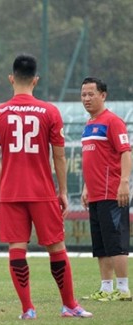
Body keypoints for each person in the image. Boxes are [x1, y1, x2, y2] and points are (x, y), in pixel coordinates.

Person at [0, 54, 92, 319]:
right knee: (56, 247)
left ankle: (28, 309)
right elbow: (59, 155)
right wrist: (63, 192)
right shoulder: (50, 111)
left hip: (11, 192)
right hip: (43, 191)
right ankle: (69, 305)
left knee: (17, 248)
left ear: (11, 78)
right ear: (36, 80)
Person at [80, 77, 131, 302]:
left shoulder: (113, 122)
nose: (86, 99)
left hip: (112, 193)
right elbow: (91, 160)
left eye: (91, 94)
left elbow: (125, 152)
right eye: (83, 94)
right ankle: (106, 288)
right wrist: (85, 187)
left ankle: (123, 289)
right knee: (100, 244)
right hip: (95, 194)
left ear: (103, 95)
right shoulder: (89, 124)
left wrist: (124, 181)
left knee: (116, 242)